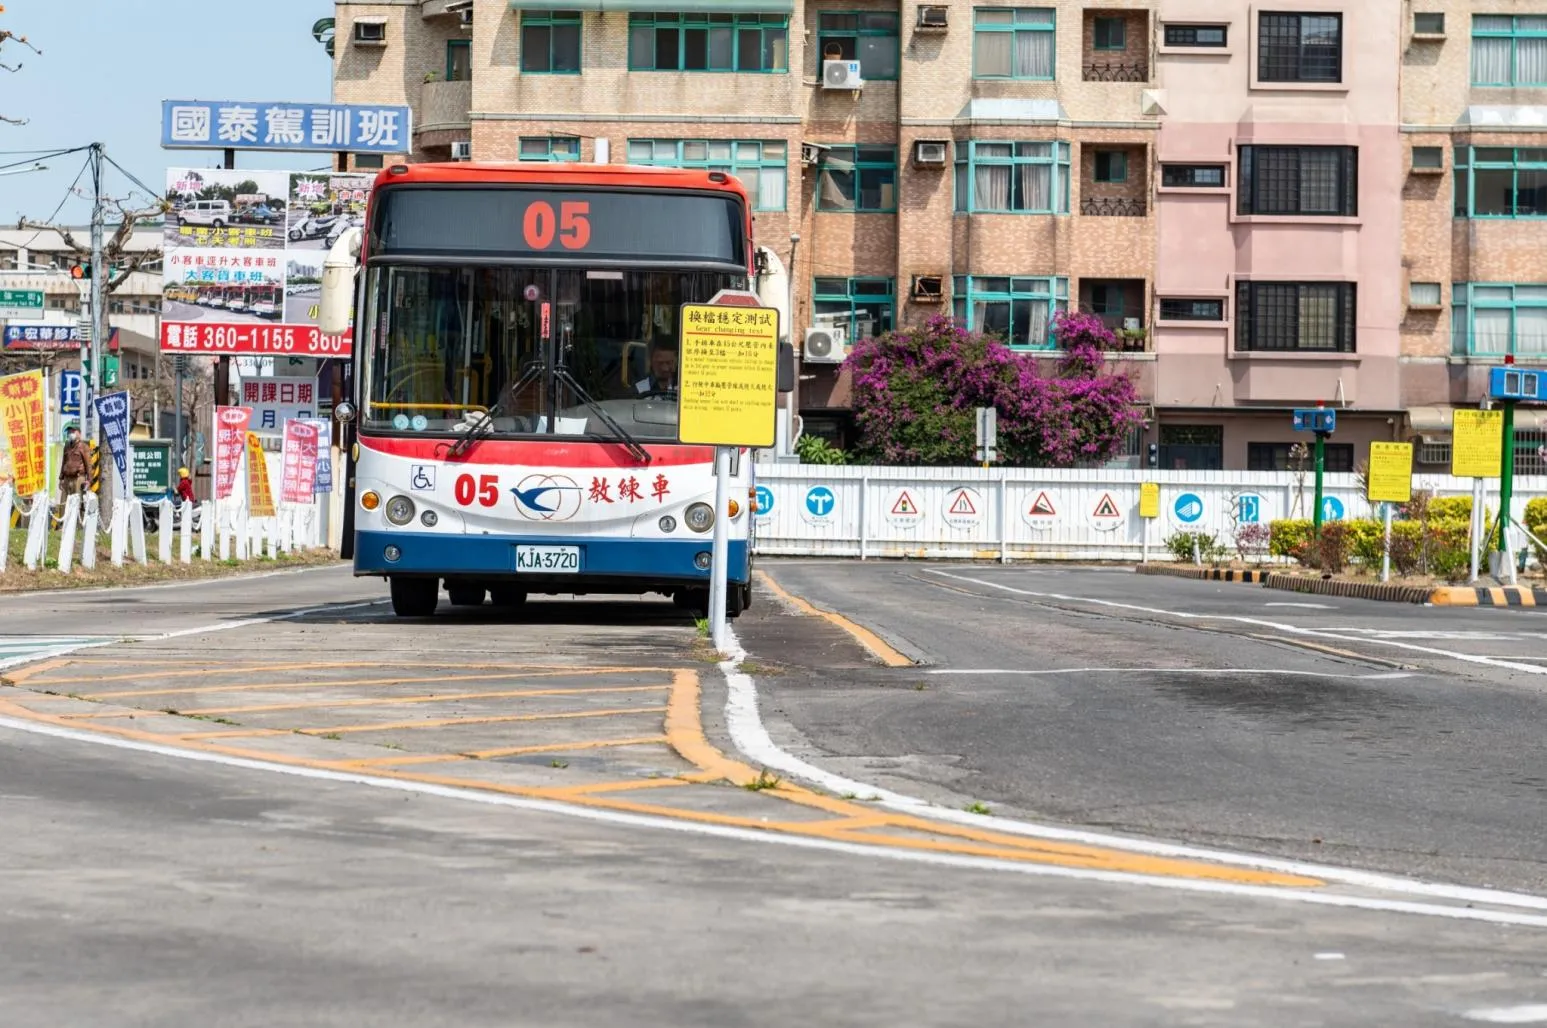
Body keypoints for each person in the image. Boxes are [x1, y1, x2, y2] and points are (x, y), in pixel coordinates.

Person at [58, 424, 90, 504]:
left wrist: (89, 480)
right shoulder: (67, 446)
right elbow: (64, 462)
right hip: (67, 479)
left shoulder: (83, 446)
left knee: (77, 504)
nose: (70, 433)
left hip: (78, 478)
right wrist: (61, 478)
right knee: (63, 503)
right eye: (69, 431)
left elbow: (88, 465)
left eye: (72, 431)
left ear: (79, 433)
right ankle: (64, 516)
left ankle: (78, 516)